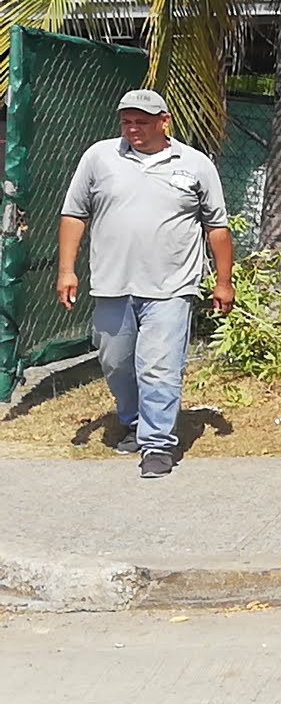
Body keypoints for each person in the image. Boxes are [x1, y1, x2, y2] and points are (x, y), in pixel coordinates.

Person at [57, 89, 234, 478]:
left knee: (158, 366)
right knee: (115, 361)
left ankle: (157, 444)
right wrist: (66, 270)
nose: (133, 129)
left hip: (172, 286)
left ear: (163, 121)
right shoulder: (99, 157)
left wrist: (224, 282)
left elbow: (217, 227)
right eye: (127, 121)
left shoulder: (195, 164)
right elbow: (74, 214)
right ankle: (135, 420)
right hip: (112, 283)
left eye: (142, 121)